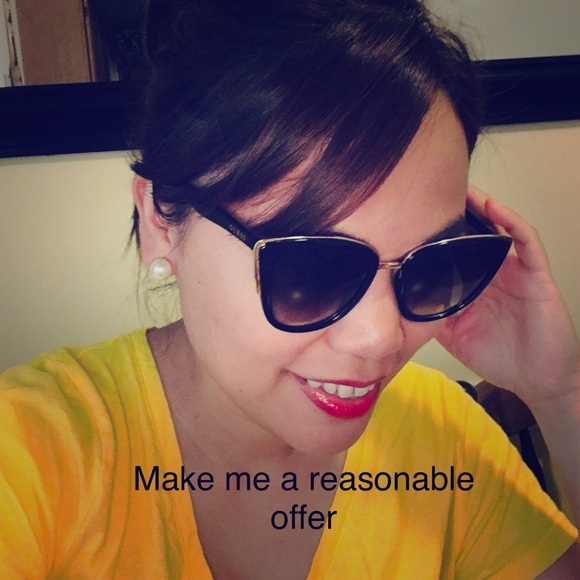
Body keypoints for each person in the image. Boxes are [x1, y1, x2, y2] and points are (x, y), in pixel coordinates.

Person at [1, 0, 579, 577]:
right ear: (159, 220)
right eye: (312, 269)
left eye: (431, 263)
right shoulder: (31, 450)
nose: (380, 338)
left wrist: (561, 394)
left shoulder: (442, 431)